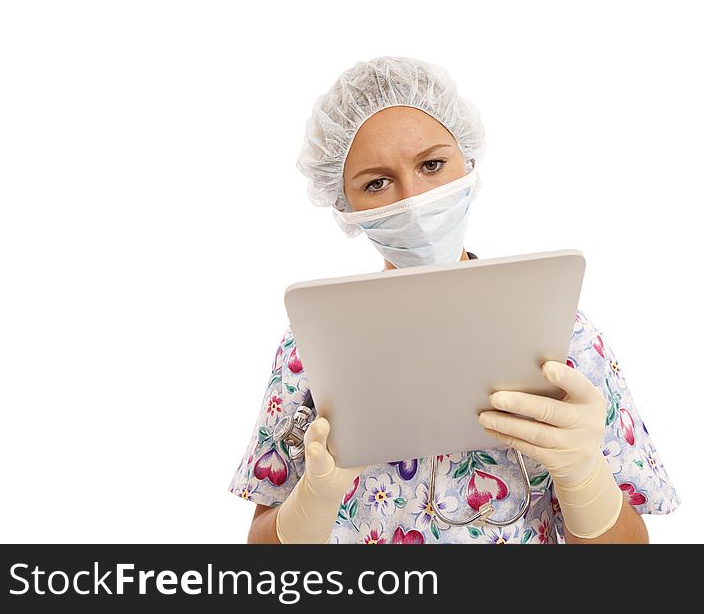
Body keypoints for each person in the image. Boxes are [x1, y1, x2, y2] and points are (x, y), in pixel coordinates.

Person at [228, 56, 681, 544]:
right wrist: (313, 501)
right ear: (344, 203)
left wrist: (584, 478)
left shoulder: (561, 334)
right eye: (376, 183)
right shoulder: (311, 349)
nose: (414, 199)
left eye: (432, 164)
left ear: (468, 161)